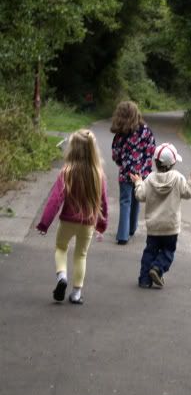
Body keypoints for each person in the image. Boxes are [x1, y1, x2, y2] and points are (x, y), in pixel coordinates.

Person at [36, 129, 108, 304]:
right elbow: (103, 202)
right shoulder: (98, 174)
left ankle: (62, 276)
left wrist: (44, 224)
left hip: (67, 220)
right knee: (81, 255)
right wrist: (101, 225)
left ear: (73, 149)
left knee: (61, 248)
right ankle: (76, 294)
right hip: (88, 223)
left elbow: (55, 200)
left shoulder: (67, 172)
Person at [130, 142, 191, 288]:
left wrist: (138, 182)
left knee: (150, 251)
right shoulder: (177, 178)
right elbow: (188, 193)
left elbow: (140, 196)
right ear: (173, 163)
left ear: (155, 162)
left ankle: (144, 279)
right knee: (168, 251)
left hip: (154, 226)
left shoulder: (149, 178)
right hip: (170, 226)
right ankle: (157, 268)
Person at [111, 101, 155, 245]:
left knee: (125, 202)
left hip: (125, 173)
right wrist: (145, 169)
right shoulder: (146, 131)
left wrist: (122, 163)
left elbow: (115, 154)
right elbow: (151, 151)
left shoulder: (120, 134)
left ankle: (122, 235)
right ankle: (132, 228)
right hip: (141, 174)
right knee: (137, 199)